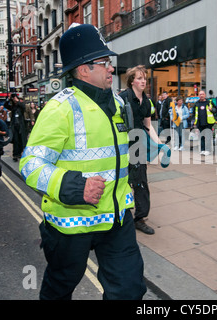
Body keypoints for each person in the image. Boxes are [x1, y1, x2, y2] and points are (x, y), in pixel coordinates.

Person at [19, 23, 146, 300]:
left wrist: (136, 168)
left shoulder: (118, 103)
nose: (112, 68)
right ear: (84, 69)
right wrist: (75, 187)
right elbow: (30, 165)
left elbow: (118, 152)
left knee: (129, 290)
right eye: (104, 62)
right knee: (59, 288)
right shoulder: (59, 108)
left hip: (116, 218)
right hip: (72, 224)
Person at [119, 65, 160, 235]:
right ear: (131, 81)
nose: (143, 81)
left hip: (138, 146)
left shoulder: (148, 102)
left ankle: (140, 218)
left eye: (145, 78)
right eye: (139, 78)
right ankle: (121, 216)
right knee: (122, 182)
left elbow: (148, 126)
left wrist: (160, 144)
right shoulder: (121, 98)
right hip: (122, 147)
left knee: (141, 182)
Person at [4, 93, 27, 161]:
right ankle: (15, 154)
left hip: (21, 126)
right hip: (14, 125)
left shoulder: (21, 106)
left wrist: (17, 100)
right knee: (15, 140)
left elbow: (24, 107)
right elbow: (5, 105)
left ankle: (20, 153)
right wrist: (9, 99)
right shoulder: (13, 107)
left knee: (21, 140)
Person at [193, 90, 216, 155]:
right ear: (198, 96)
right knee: (201, 137)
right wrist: (194, 122)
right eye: (200, 94)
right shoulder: (196, 103)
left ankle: (208, 150)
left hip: (208, 123)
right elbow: (194, 113)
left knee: (208, 137)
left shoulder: (210, 102)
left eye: (203, 94)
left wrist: (211, 109)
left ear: (205, 95)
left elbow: (215, 110)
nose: (201, 95)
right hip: (200, 123)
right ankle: (202, 150)